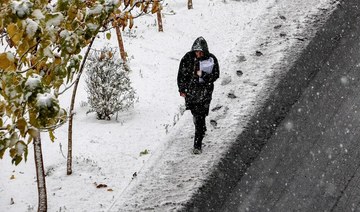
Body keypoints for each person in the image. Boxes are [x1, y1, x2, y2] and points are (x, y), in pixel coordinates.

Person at [177, 36, 220, 154]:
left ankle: (197, 145)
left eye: (200, 52)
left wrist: (203, 75)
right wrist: (182, 89)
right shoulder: (187, 58)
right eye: (196, 52)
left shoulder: (211, 59)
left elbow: (215, 75)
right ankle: (201, 128)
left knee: (200, 116)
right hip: (191, 93)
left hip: (204, 93)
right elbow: (181, 75)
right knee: (196, 115)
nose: (198, 54)